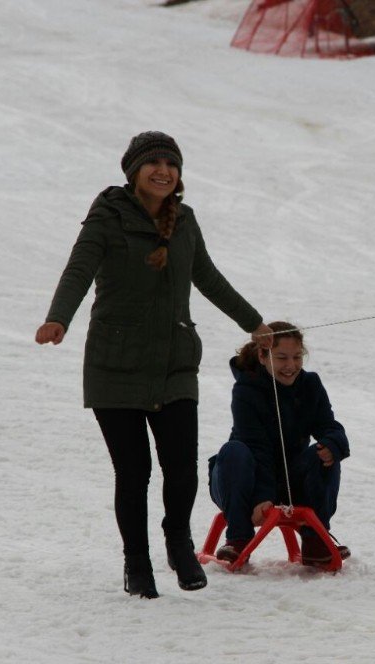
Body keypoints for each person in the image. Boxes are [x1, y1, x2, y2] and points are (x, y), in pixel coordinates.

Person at [35, 131, 272, 599]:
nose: (163, 171)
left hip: (175, 362)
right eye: (153, 163)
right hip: (115, 364)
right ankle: (136, 561)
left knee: (181, 467)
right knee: (135, 470)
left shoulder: (184, 221)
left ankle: (179, 543)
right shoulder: (107, 217)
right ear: (133, 171)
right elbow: (78, 269)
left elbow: (207, 277)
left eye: (171, 164)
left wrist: (254, 323)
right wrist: (58, 318)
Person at [208, 322, 351, 567]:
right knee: (234, 451)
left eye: (297, 357)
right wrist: (261, 498)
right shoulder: (245, 390)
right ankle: (238, 538)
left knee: (324, 453)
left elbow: (328, 425)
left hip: (288, 481)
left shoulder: (310, 385)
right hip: (242, 481)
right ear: (263, 356)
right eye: (282, 357)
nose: (291, 366)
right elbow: (256, 446)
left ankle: (316, 538)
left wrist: (333, 444)